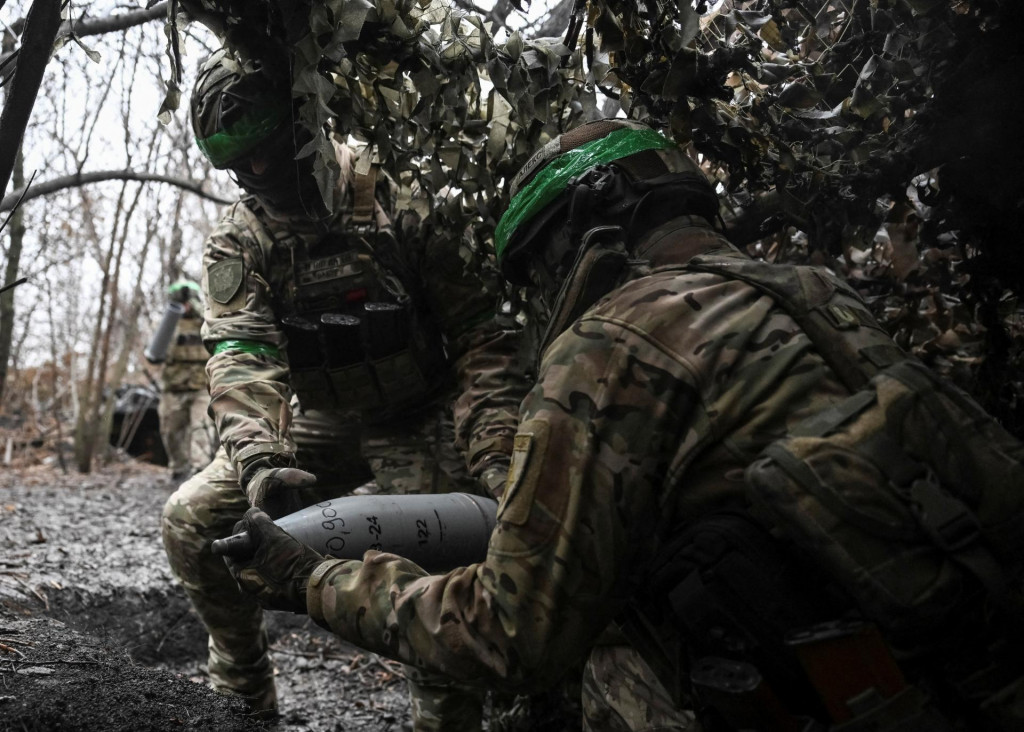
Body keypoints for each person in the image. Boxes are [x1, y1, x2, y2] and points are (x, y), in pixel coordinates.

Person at [224, 119, 1024, 731]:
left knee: (606, 654)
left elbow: (510, 634)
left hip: (862, 697)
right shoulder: (815, 291)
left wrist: (311, 581)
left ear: (585, 232)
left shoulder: (613, 341)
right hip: (978, 674)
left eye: (539, 267)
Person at [160, 48, 529, 726]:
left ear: (304, 119)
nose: (258, 173)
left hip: (423, 416)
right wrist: (262, 465)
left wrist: (495, 453)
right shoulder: (243, 240)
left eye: (268, 150)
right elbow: (241, 356)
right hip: (319, 424)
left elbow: (484, 338)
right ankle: (241, 693)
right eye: (238, 164)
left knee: (449, 576)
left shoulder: (402, 200)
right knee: (193, 523)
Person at [152, 279, 216, 482]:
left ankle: (201, 473)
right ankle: (179, 469)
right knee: (171, 433)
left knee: (202, 430)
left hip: (201, 388)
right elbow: (154, 355)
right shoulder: (167, 325)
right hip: (174, 388)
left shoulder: (208, 323)